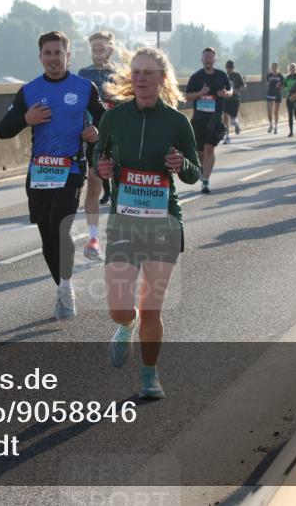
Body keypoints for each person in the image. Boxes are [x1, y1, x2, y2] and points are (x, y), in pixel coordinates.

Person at [94, 47, 200, 399]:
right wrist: (102, 168)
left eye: (148, 73)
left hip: (163, 221)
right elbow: (98, 155)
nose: (141, 78)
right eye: (136, 72)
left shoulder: (177, 122)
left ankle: (149, 376)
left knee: (152, 307)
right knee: (119, 306)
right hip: (124, 221)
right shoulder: (114, 118)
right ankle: (126, 326)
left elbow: (194, 172)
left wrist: (181, 164)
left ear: (162, 78)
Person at [0, 31, 105, 318]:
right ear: (40, 57)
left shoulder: (85, 87)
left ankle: (67, 287)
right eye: (48, 53)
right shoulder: (29, 91)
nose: (53, 59)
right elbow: (3, 130)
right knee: (47, 234)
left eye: (58, 53)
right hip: (40, 172)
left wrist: (96, 131)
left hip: (71, 168)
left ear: (68, 56)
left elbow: (105, 120)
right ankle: (62, 285)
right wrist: (26, 119)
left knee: (60, 226)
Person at [78, 31, 120, 261]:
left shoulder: (122, 74)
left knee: (121, 189)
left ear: (111, 50)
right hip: (94, 138)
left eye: (101, 49)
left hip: (119, 138)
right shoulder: (83, 74)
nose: (97, 53)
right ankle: (93, 238)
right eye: (94, 49)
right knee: (93, 186)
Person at [184, 47, 232, 193]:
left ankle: (205, 181)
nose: (208, 60)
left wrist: (225, 93)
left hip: (215, 117)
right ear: (202, 59)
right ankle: (202, 170)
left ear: (214, 59)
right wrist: (201, 93)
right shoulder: (196, 77)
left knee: (209, 148)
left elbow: (230, 91)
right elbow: (187, 96)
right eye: (206, 57)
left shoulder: (221, 75)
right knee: (200, 152)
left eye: (210, 57)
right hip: (199, 118)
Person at [222, 59, 246, 143]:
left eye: (230, 68)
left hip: (235, 99)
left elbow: (244, 86)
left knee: (232, 120)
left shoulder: (237, 75)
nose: (229, 69)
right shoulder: (223, 75)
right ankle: (227, 136)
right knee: (225, 117)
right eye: (228, 68)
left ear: (233, 68)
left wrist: (237, 90)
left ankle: (236, 125)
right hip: (225, 99)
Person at [264, 62, 285, 134]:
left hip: (277, 94)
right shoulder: (269, 75)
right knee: (269, 111)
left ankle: (276, 126)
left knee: (276, 112)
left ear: (277, 67)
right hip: (270, 93)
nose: (274, 67)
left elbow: (283, 85)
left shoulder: (280, 76)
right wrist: (269, 83)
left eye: (275, 66)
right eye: (273, 66)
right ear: (271, 67)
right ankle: (271, 125)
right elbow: (266, 83)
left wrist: (279, 85)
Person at [282, 63, 296, 137]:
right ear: (289, 69)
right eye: (291, 68)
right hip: (289, 98)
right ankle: (291, 131)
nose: (292, 69)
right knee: (290, 115)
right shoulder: (287, 78)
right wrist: (288, 91)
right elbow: (285, 87)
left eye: (293, 68)